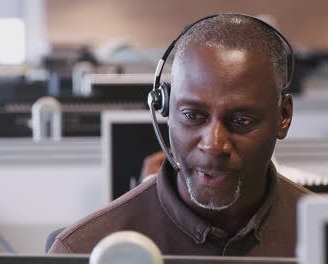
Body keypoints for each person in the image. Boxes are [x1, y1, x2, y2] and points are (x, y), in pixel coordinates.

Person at [48, 14, 311, 257]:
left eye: (241, 121)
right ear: (166, 108)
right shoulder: (84, 250)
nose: (213, 144)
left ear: (283, 116)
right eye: (193, 116)